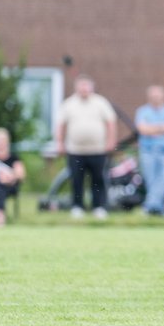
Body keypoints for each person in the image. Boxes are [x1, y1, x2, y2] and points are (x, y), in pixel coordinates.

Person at [54, 75, 117, 219]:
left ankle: (99, 207)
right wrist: (59, 142)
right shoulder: (69, 104)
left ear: (91, 87)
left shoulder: (101, 102)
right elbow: (60, 125)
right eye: (81, 86)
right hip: (75, 150)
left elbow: (111, 123)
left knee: (98, 179)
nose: (84, 89)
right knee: (76, 180)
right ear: (76, 88)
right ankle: (77, 207)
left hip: (98, 150)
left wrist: (111, 141)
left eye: (86, 86)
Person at [134, 85, 164, 216]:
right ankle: (157, 209)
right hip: (147, 151)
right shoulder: (143, 111)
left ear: (163, 96)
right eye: (153, 96)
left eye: (158, 95)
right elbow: (143, 130)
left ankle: (150, 207)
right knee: (151, 181)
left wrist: (154, 129)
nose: (156, 98)